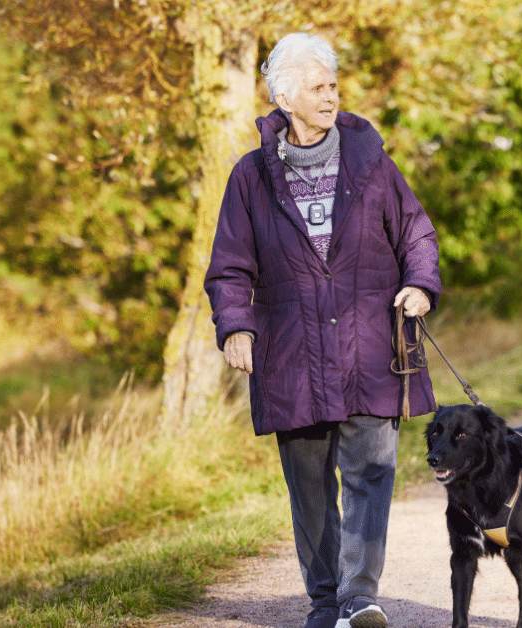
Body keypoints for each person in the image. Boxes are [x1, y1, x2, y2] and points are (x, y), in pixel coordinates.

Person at [203, 32, 440, 628]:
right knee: (310, 488)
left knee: (371, 471)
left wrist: (420, 284)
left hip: (369, 349)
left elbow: (417, 232)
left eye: (334, 85)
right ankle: (326, 600)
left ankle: (360, 598)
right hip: (292, 355)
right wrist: (236, 327)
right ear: (285, 97)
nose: (331, 96)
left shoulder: (371, 164)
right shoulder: (250, 178)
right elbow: (230, 264)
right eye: (318, 87)